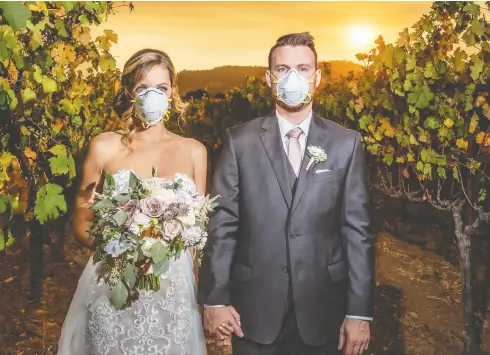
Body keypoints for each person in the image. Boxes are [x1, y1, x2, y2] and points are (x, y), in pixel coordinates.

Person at [199, 32, 375, 355]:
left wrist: (359, 311)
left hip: (324, 312)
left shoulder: (345, 144)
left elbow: (357, 232)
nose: (293, 77)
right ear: (269, 78)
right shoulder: (240, 142)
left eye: (303, 68)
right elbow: (222, 226)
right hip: (253, 312)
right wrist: (215, 298)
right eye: (282, 69)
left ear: (317, 78)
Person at [57, 49, 208, 355]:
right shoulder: (104, 147)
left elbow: (196, 234)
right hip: (115, 286)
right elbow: (81, 222)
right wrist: (123, 250)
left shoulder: (195, 151)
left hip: (173, 292)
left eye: (161, 88)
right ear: (128, 93)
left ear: (172, 93)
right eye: (142, 88)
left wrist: (197, 292)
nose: (152, 96)